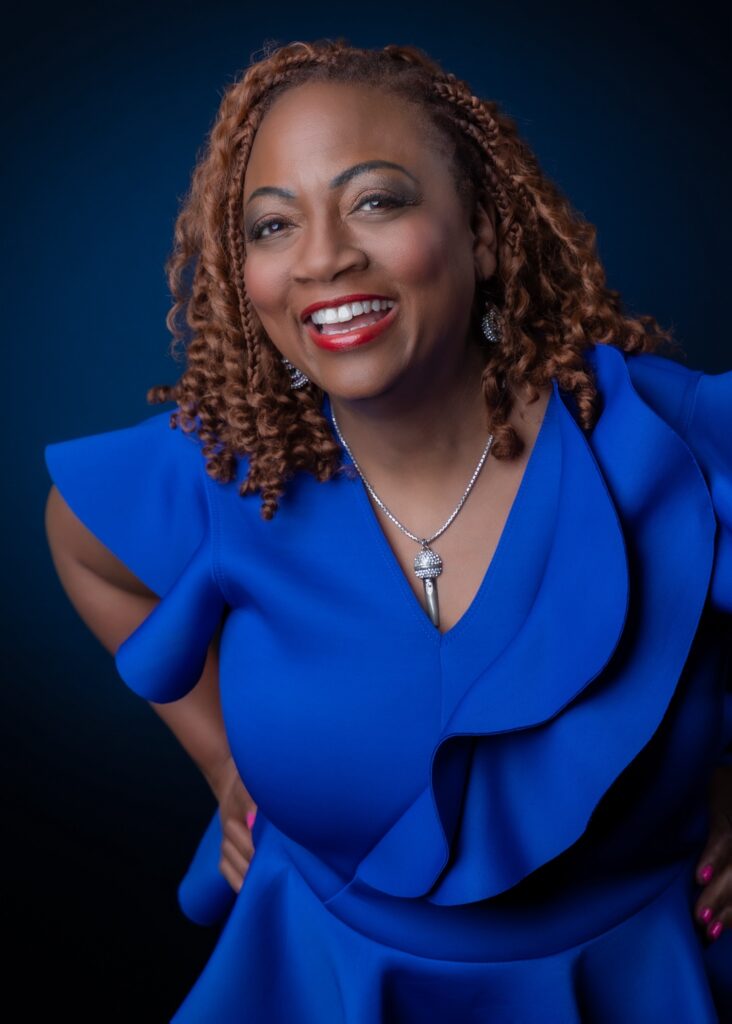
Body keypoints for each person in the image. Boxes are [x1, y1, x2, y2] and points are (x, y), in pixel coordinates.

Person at [43, 38, 732, 1023]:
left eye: (377, 201)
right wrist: (223, 762)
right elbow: (81, 542)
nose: (323, 257)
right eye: (273, 225)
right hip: (320, 978)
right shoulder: (227, 470)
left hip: (634, 977)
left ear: (486, 233)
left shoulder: (673, 442)